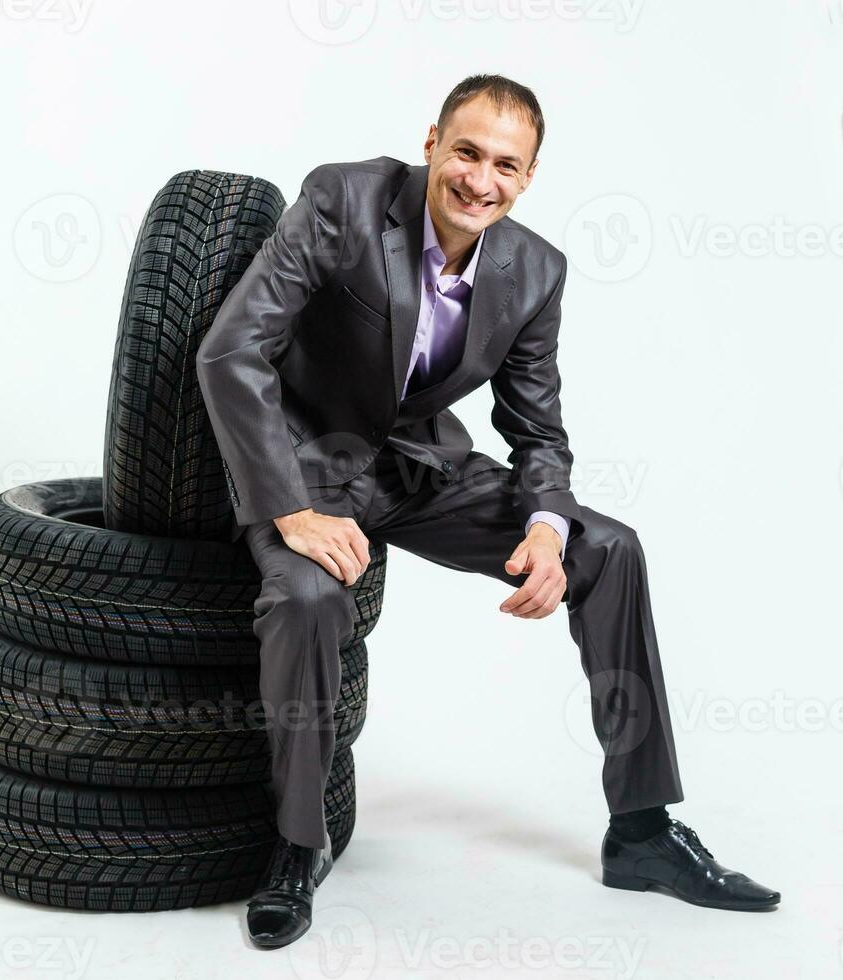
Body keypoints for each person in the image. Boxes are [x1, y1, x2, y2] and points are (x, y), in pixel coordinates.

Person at [196, 73, 781, 951]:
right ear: (432, 142)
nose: (480, 180)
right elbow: (232, 350)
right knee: (309, 602)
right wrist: (288, 510)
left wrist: (547, 525)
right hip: (309, 465)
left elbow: (536, 428)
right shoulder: (342, 198)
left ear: (528, 176)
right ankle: (296, 846)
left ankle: (644, 833)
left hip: (426, 470)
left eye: (505, 165)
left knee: (608, 549)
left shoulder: (534, 271)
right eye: (466, 152)